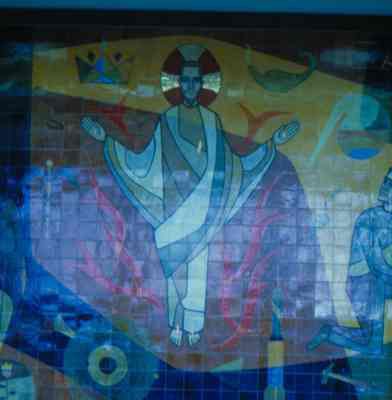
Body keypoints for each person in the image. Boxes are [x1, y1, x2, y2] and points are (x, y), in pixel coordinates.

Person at [81, 44, 301, 347]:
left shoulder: (211, 121)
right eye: (185, 80)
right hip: (172, 207)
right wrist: (106, 140)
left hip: (204, 207)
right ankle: (176, 323)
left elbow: (232, 166)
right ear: (178, 83)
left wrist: (272, 144)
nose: (190, 85)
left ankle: (193, 326)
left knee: (197, 268)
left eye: (196, 80)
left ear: (202, 85)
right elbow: (145, 162)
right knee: (174, 267)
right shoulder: (167, 119)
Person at [307, 167, 392, 355]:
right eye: (385, 181)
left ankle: (331, 333)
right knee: (373, 348)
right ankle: (330, 332)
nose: (384, 186)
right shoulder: (368, 218)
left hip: (382, 283)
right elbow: (377, 266)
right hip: (362, 286)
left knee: (370, 343)